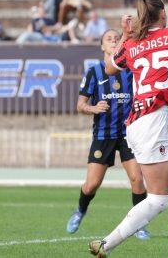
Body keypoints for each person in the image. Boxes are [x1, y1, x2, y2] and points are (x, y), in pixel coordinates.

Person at [89, 0, 168, 258]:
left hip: (139, 121)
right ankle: (106, 244)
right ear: (162, 14)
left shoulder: (133, 44)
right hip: (151, 121)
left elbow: (110, 67)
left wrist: (127, 35)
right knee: (159, 200)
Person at [67, 29, 149, 239]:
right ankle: (80, 211)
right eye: (109, 39)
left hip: (128, 134)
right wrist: (93, 108)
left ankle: (139, 226)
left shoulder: (131, 70)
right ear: (102, 47)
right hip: (103, 136)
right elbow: (80, 105)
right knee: (92, 184)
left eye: (117, 38)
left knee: (137, 180)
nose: (113, 41)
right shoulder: (94, 72)